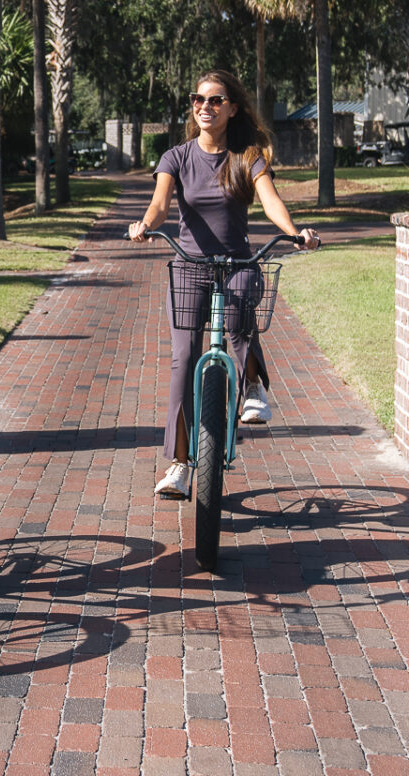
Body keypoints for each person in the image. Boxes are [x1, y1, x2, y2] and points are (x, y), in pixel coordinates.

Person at [127, 69, 320, 500]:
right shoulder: (175, 157)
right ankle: (178, 464)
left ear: (232, 108)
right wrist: (145, 224)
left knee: (238, 313)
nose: (205, 107)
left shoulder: (247, 156)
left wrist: (295, 232)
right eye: (198, 99)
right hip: (191, 264)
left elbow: (271, 202)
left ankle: (251, 385)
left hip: (238, 261)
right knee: (182, 360)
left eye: (215, 100)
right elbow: (160, 205)